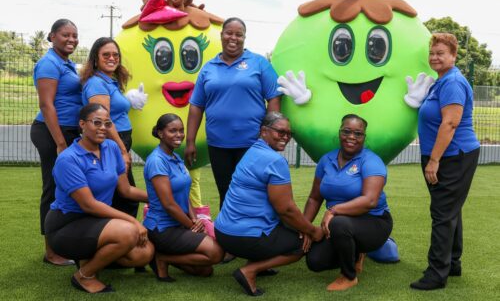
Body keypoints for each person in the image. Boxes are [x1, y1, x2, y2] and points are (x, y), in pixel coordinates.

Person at [44, 103, 154, 293]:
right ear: (82, 124)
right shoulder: (68, 159)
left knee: (144, 254)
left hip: (96, 222)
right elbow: (89, 205)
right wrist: (132, 221)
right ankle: (84, 276)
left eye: (107, 123)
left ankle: (91, 256)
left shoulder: (111, 148)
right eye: (97, 122)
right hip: (67, 224)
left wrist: (159, 198)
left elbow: (126, 190)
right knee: (129, 232)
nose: (103, 128)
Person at [214, 112, 323, 296]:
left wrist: (300, 225)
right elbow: (286, 209)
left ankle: (260, 264)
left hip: (224, 233)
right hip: (243, 237)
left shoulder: (253, 151)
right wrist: (312, 231)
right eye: (280, 132)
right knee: (300, 245)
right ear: (264, 131)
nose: (286, 137)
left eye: (289, 133)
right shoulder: (274, 160)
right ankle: (250, 270)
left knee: (283, 227)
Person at [185, 17, 282, 211]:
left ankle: (254, 233)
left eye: (239, 34)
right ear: (221, 35)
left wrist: (269, 134)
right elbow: (196, 106)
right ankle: (227, 235)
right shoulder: (208, 68)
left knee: (251, 191)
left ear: (245, 38)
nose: (233, 38)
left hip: (252, 144)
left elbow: (274, 97)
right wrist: (190, 141)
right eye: (229, 33)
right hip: (218, 144)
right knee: (225, 192)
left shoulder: (259, 63)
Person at [410, 33, 480, 291]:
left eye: (441, 53)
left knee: (442, 213)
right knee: (450, 210)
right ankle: (453, 263)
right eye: (432, 53)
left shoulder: (452, 82)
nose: (435, 57)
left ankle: (436, 274)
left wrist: (434, 160)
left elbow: (450, 123)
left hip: (452, 157)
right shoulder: (440, 82)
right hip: (445, 156)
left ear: (453, 55)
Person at [303, 114, 393, 291]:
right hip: (341, 224)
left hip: (374, 222)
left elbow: (370, 200)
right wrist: (305, 228)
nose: (352, 137)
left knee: (339, 223)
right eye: (347, 131)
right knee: (315, 262)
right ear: (339, 133)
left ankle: (349, 276)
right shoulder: (326, 160)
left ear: (364, 137)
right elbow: (314, 197)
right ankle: (356, 253)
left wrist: (334, 211)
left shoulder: (371, 161)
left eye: (358, 134)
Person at [144, 114, 224, 281]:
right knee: (216, 253)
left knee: (205, 270)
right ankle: (161, 258)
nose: (179, 135)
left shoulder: (176, 157)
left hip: (179, 224)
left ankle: (164, 257)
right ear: (160, 133)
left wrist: (195, 220)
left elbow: (183, 195)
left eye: (181, 131)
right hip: (162, 228)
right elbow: (169, 204)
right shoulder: (157, 161)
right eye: (172, 131)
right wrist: (191, 225)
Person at [30, 19, 82, 266]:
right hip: (53, 133)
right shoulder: (49, 64)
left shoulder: (67, 64)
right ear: (51, 36)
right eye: (65, 35)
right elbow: (46, 104)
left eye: (75, 35)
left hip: (68, 131)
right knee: (53, 188)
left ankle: (68, 243)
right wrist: (61, 143)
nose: (71, 39)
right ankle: (51, 252)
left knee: (69, 189)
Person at [80, 37, 138, 218]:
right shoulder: (97, 83)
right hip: (111, 144)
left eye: (115, 55)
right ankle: (121, 237)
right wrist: (122, 150)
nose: (112, 58)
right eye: (106, 55)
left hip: (117, 142)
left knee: (122, 195)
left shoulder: (109, 81)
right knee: (125, 196)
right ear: (96, 58)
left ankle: (122, 238)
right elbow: (103, 122)